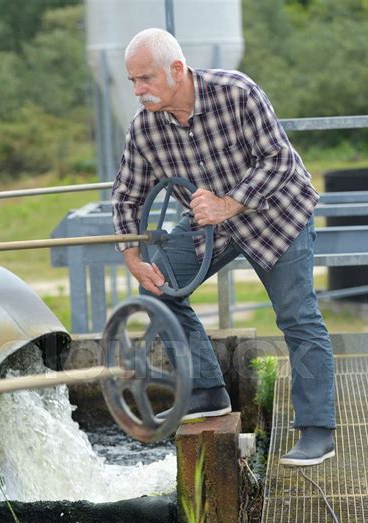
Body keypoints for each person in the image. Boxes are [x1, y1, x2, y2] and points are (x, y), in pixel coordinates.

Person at [111, 28, 336, 467]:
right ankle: (207, 391)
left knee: (297, 316)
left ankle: (317, 431)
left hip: (276, 215)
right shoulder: (144, 129)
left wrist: (228, 203)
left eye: (146, 79)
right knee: (159, 289)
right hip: (209, 226)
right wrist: (134, 258)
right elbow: (127, 195)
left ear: (177, 70)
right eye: (132, 82)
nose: (138, 91)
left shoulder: (236, 92)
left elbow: (279, 160)